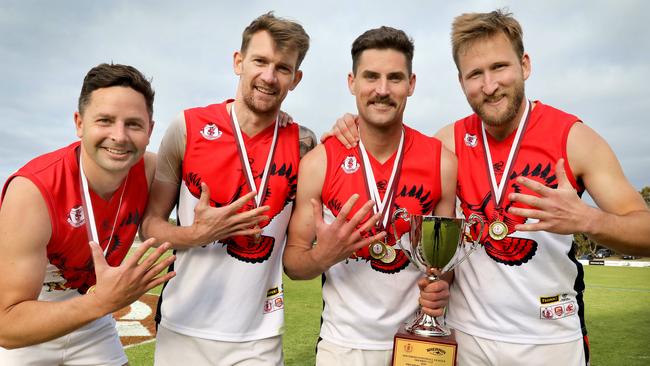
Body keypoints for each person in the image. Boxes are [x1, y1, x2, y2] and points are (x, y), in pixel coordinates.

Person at [327, 9, 650, 366]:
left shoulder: (574, 139)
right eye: (475, 74)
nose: (489, 85)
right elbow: (390, 154)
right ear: (461, 81)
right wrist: (348, 129)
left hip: (550, 341)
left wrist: (588, 219)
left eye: (499, 67)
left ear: (524, 65)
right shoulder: (446, 144)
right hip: (466, 341)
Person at [140, 12, 315, 366]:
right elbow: (150, 225)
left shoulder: (305, 145)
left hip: (258, 338)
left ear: (295, 78)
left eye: (282, 68)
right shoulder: (187, 127)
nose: (268, 76)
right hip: (183, 328)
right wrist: (197, 233)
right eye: (260, 61)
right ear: (239, 62)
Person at [283, 26, 457, 366]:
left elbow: (444, 261)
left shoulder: (442, 162)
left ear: (411, 84)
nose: (382, 90)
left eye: (394, 78)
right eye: (371, 77)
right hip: (343, 347)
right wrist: (323, 257)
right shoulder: (320, 161)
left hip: (417, 344)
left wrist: (441, 285)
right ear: (352, 83)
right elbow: (293, 262)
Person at [0, 63, 175, 366]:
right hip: (32, 320)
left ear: (150, 129)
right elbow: (7, 324)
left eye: (133, 124)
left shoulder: (151, 171)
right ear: (79, 123)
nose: (119, 136)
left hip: (93, 321)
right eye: (105, 120)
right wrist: (101, 301)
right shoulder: (32, 191)